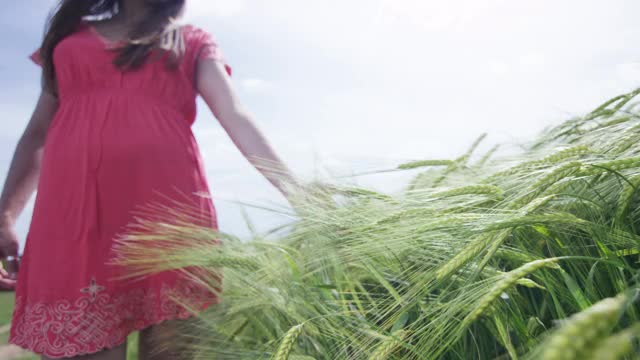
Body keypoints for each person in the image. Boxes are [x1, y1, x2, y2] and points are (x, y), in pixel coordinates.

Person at [0, 0, 301, 359]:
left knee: (169, 351)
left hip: (169, 218)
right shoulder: (69, 37)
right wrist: (5, 215)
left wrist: (297, 191)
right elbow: (37, 132)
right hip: (77, 216)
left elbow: (235, 113)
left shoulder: (190, 40)